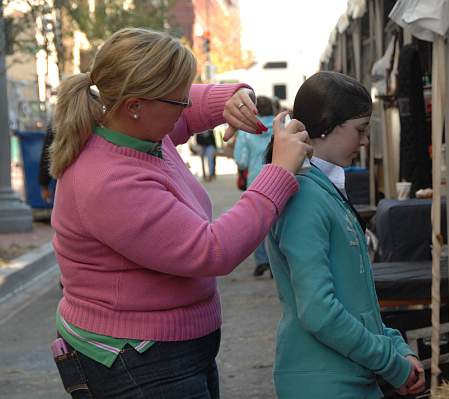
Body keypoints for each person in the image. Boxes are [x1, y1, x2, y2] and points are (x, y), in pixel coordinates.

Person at [49, 27, 310, 399]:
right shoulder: (108, 179)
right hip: (138, 357)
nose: (186, 107)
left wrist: (232, 98)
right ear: (135, 105)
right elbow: (211, 249)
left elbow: (192, 106)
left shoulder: (139, 131)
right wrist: (279, 174)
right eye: (177, 100)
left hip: (167, 349)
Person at [265, 71, 425, 398]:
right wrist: (390, 361)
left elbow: (357, 299)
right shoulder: (304, 197)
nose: (365, 142)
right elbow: (319, 311)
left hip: (345, 376)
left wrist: (396, 346)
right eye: (361, 130)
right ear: (327, 126)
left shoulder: (324, 190)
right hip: (324, 383)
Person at [233, 95, 275, 276]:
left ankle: (262, 261)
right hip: (278, 177)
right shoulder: (280, 127)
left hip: (256, 181)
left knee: (258, 222)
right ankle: (276, 262)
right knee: (278, 221)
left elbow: (241, 161)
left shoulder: (245, 131)